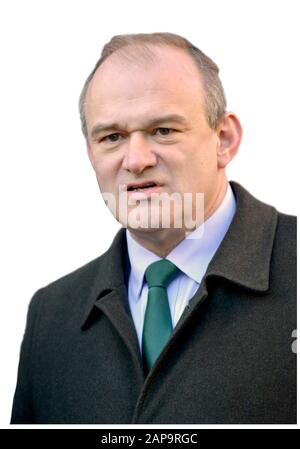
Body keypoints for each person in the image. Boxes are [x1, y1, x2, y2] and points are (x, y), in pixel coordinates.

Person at [11, 32, 296, 424]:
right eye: (112, 137)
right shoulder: (51, 316)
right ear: (92, 155)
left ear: (224, 139)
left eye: (163, 130)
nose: (136, 159)